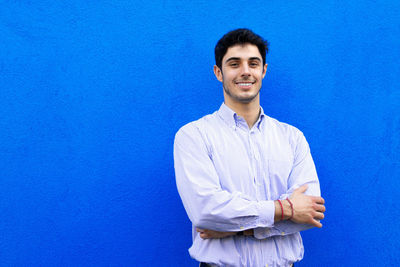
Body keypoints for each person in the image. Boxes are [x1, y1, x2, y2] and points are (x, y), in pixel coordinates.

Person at [173, 28, 325, 267]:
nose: (245, 71)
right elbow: (206, 212)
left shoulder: (292, 137)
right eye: (234, 63)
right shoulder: (194, 136)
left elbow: (309, 213)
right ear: (218, 73)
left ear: (263, 70)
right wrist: (286, 209)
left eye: (253, 63)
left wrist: (239, 230)